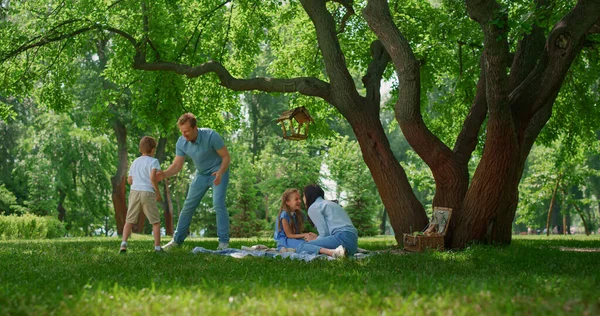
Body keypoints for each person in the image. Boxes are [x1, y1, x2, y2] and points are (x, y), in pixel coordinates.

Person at [159, 113, 231, 250]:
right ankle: (177, 241)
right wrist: (163, 174)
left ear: (195, 128)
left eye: (186, 131)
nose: (184, 134)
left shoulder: (211, 136)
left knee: (218, 203)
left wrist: (221, 172)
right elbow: (177, 165)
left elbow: (226, 157)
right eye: (182, 131)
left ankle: (223, 242)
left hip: (219, 171)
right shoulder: (182, 142)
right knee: (188, 205)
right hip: (202, 174)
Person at [120, 136, 163, 253]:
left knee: (129, 220)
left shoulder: (135, 161)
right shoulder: (154, 161)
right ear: (153, 149)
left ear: (140, 149)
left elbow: (129, 180)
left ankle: (123, 244)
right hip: (148, 192)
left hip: (134, 192)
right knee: (155, 221)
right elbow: (153, 177)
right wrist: (158, 193)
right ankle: (157, 248)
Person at [296, 184, 358, 258]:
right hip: (353, 243)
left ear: (307, 195)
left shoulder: (314, 207)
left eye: (303, 195)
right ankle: (339, 251)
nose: (303, 198)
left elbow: (325, 233)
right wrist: (318, 239)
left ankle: (332, 252)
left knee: (301, 246)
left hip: (342, 238)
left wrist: (315, 239)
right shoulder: (331, 204)